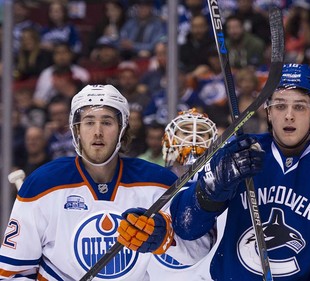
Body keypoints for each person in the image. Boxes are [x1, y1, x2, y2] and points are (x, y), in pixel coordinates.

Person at [168, 64, 310, 280]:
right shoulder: (234, 153)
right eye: (280, 106)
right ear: (268, 112)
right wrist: (212, 189)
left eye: (300, 107)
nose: (289, 116)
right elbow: (186, 227)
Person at [0, 84, 210, 280]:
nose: (97, 131)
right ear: (77, 130)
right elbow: (11, 272)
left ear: (122, 130)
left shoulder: (159, 183)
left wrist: (166, 237)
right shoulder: (42, 184)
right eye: (89, 122)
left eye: (107, 122)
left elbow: (200, 251)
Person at [147, 108, 218, 280]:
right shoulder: (150, 180)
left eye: (201, 132)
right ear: (169, 140)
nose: (193, 137)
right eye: (185, 131)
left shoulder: (222, 184)